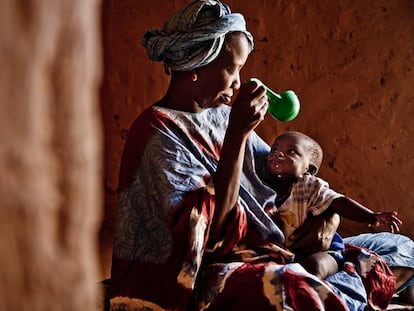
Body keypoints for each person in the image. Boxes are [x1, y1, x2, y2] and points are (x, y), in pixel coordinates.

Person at [109, 1, 413, 310]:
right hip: (214, 268)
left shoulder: (224, 114)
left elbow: (288, 184)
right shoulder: (155, 133)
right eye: (234, 69)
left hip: (279, 248)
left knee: (398, 246)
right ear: (197, 67)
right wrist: (237, 135)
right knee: (285, 288)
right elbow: (212, 238)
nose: (239, 82)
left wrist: (328, 216)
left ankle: (334, 283)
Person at [262, 131, 402, 280]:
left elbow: (338, 202)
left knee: (315, 265)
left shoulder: (308, 186)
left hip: (324, 251)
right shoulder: (264, 186)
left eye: (291, 152)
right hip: (285, 251)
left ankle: (307, 288)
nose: (278, 154)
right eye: (274, 149)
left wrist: (370, 216)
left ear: (308, 170)